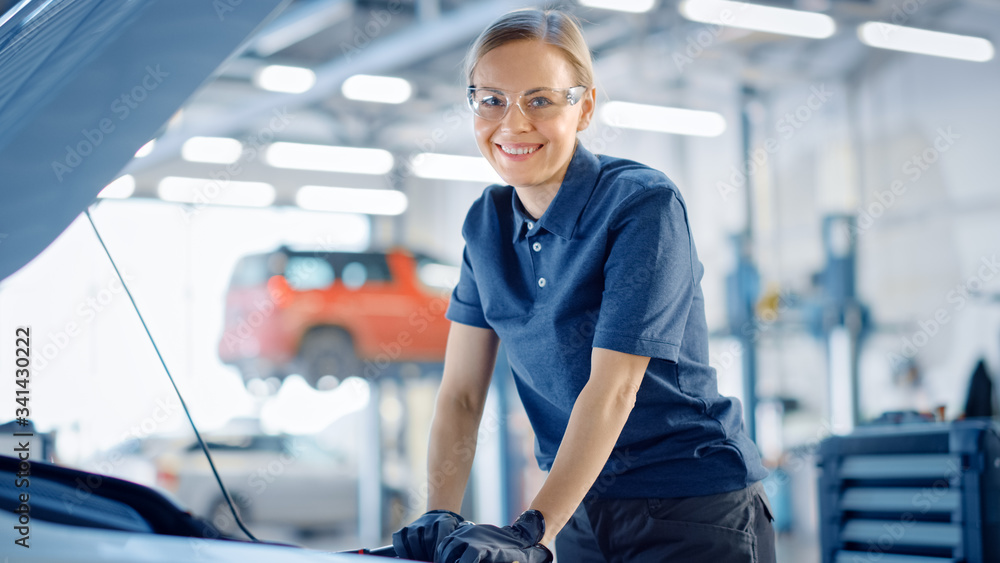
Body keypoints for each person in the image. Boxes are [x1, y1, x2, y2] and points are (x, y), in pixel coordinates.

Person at [392, 8, 775, 563]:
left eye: (540, 100)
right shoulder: (486, 224)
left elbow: (613, 389)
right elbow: (461, 395)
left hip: (692, 505)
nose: (513, 124)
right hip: (580, 504)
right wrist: (440, 515)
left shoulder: (642, 205)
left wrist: (532, 533)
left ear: (584, 106)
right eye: (492, 100)